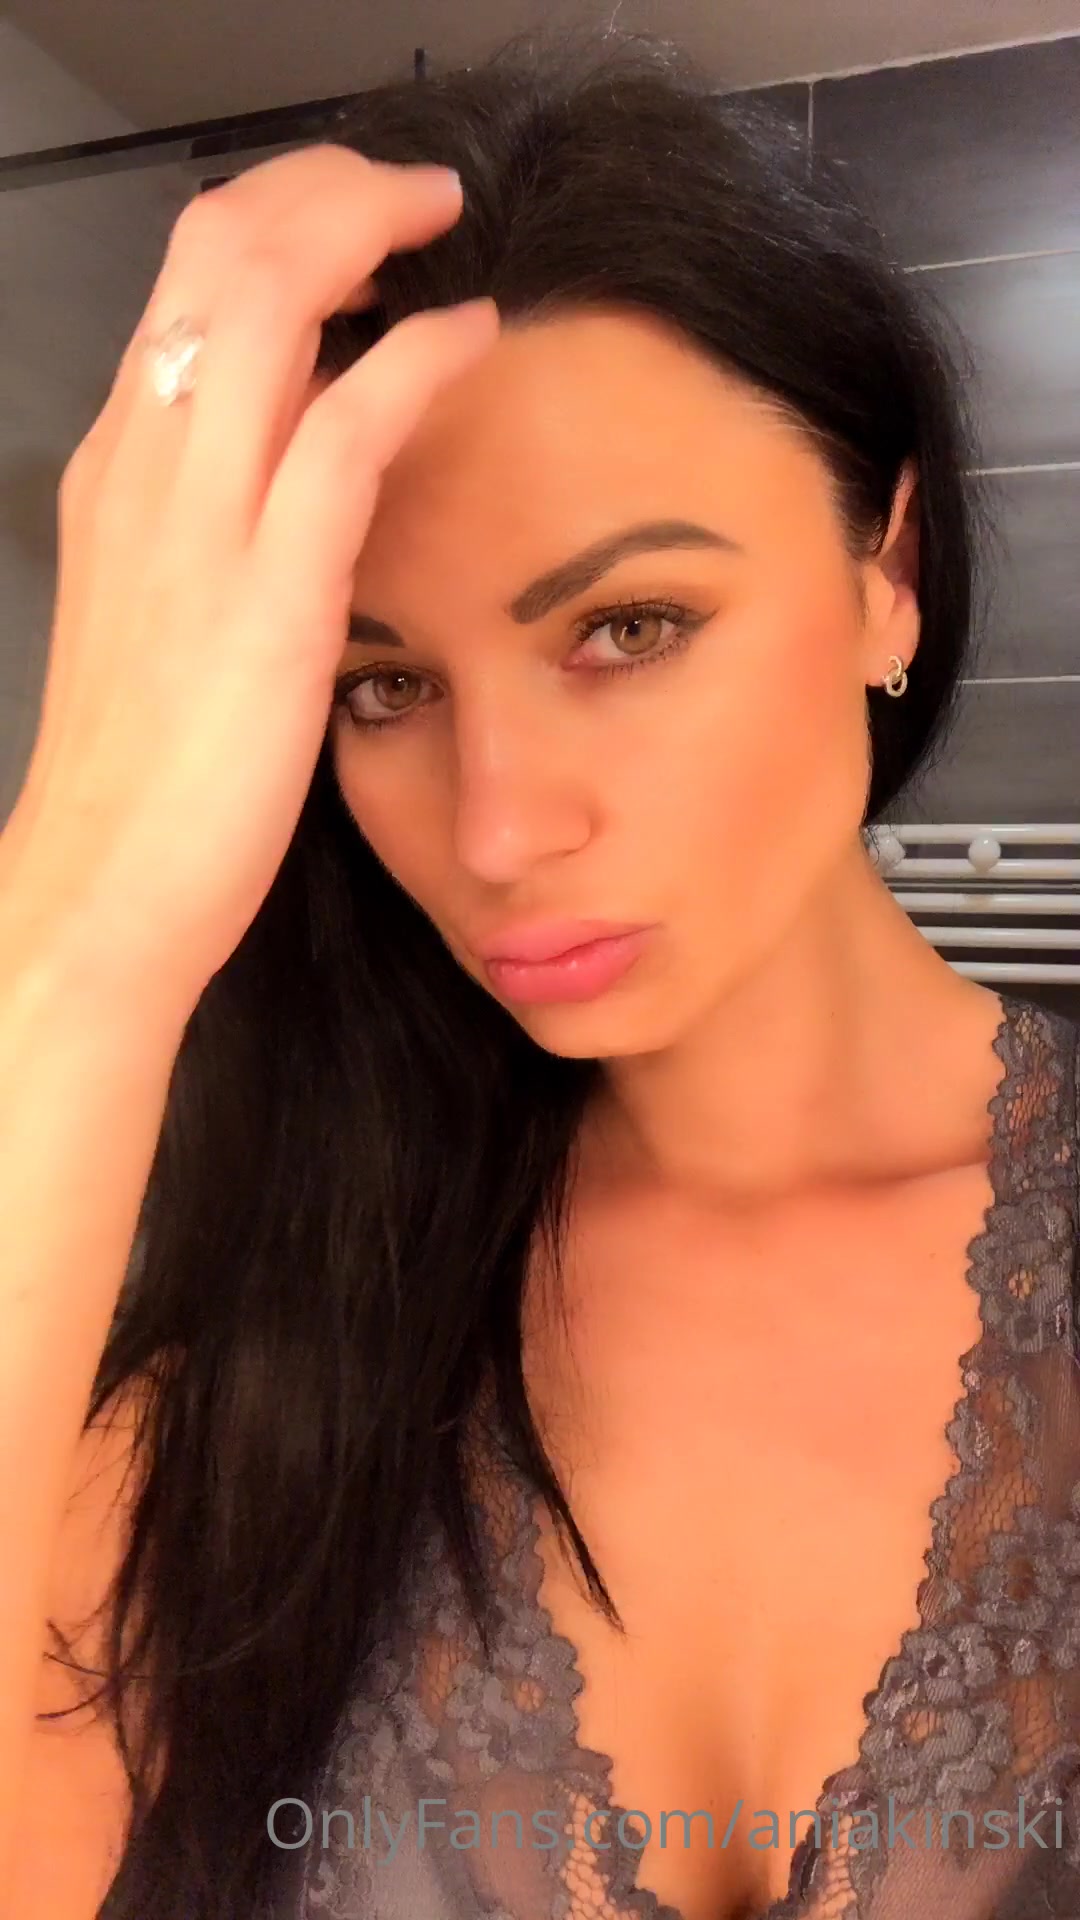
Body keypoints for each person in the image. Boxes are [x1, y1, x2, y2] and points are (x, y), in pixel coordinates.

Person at [0, 26, 1077, 1920]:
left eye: (630, 625)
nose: (498, 828)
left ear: (887, 573)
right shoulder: (267, 1331)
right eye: (383, 685)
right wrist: (79, 920)